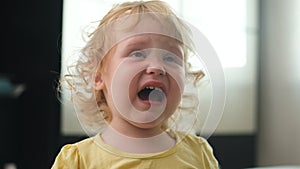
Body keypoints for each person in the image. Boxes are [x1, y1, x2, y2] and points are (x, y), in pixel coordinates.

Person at [51, 0, 220, 168]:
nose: (157, 67)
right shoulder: (77, 161)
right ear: (98, 77)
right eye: (137, 53)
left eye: (170, 57)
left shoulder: (199, 153)